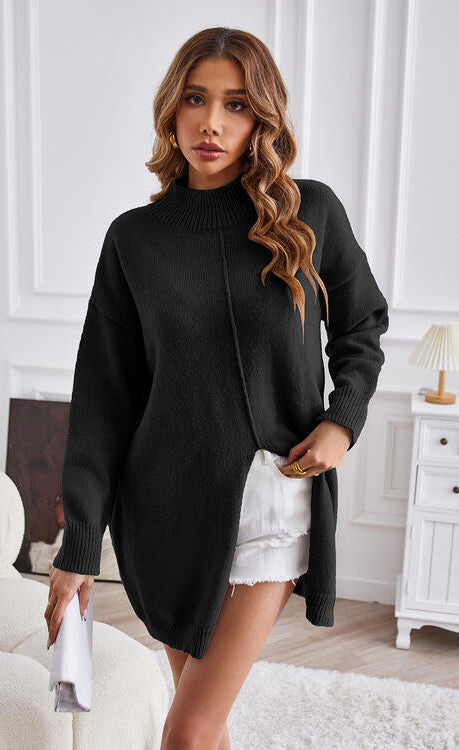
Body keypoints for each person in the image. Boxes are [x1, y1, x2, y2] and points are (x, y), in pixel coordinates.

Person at [45, 26, 389, 750]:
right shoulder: (134, 240)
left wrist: (343, 420)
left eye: (236, 105)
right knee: (205, 723)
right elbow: (104, 399)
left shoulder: (310, 213)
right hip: (164, 515)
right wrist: (79, 543)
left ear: (262, 118)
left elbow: (362, 323)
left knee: (188, 730)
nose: (211, 122)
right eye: (196, 99)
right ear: (171, 108)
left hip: (272, 499)